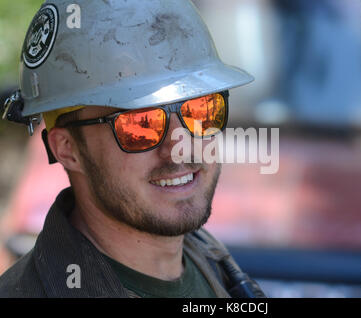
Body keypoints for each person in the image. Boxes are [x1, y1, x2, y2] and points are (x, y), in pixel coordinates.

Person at [0, 0, 265, 298]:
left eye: (201, 110)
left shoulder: (214, 263)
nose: (179, 147)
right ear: (66, 148)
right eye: (140, 123)